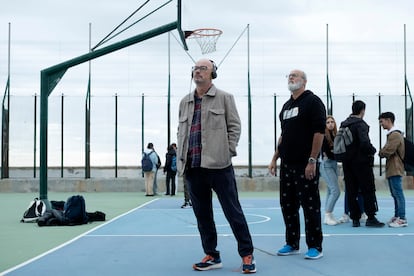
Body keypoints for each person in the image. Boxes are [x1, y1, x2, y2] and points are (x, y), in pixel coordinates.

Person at [177, 58, 256, 273]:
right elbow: (181, 132)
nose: (198, 71)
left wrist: (227, 150)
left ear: (213, 73)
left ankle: (247, 254)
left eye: (203, 68)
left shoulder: (224, 98)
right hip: (193, 167)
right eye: (195, 68)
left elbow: (235, 127)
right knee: (202, 215)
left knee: (233, 212)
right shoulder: (185, 101)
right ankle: (212, 255)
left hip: (219, 166)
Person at [268, 69, 325, 260]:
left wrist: (312, 160)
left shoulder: (313, 101)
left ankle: (315, 246)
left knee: (310, 205)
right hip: (287, 164)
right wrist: (275, 158)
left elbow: (319, 133)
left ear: (304, 81)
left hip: (305, 164)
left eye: (295, 76)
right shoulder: (285, 106)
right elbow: (283, 135)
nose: (291, 77)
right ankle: (292, 243)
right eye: (289, 76)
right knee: (287, 204)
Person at [339, 100, 384, 227]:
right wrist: (372, 150)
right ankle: (370, 217)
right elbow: (364, 143)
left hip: (347, 163)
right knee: (368, 189)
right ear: (362, 110)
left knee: (351, 190)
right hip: (362, 162)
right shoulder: (361, 124)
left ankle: (355, 218)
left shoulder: (344, 124)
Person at [378, 112, 408, 227]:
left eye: (382, 121)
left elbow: (387, 151)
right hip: (392, 168)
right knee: (395, 194)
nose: (381, 124)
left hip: (396, 168)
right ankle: (397, 216)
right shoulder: (392, 134)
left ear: (388, 120)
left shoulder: (395, 135)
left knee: (398, 193)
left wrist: (382, 152)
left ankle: (402, 218)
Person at [320, 115, 341, 225]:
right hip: (326, 164)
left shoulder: (335, 135)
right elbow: (328, 152)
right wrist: (339, 156)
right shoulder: (323, 136)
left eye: (332, 122)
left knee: (330, 190)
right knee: (336, 191)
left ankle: (328, 215)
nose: (330, 124)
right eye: (328, 122)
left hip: (334, 164)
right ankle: (328, 214)